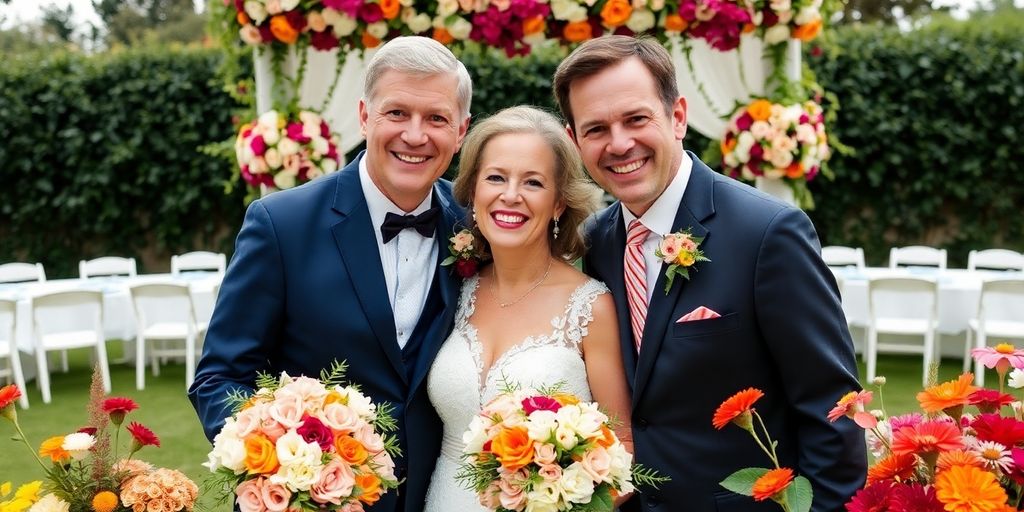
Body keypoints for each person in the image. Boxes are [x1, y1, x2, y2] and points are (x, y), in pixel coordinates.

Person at [553, 36, 867, 511]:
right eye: (596, 129)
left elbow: (833, 410)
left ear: (677, 116)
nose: (619, 144)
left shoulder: (767, 233)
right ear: (575, 139)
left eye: (636, 119)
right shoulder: (596, 240)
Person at [188, 36, 472, 512]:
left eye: (436, 118)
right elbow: (220, 378)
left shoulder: (475, 225)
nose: (416, 135)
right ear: (365, 116)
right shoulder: (280, 224)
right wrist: (285, 466)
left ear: (461, 130)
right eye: (396, 113)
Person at [422, 105, 633, 511]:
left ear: (558, 203)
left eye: (533, 182)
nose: (511, 195)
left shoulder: (591, 307)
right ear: (473, 191)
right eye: (496, 178)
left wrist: (559, 497)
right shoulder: (454, 289)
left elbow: (622, 447)